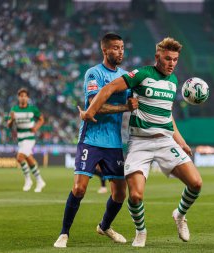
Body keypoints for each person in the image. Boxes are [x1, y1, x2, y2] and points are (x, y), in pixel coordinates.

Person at [79, 37, 203, 247]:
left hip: (165, 141)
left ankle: (180, 215)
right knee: (135, 196)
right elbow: (108, 88)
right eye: (167, 59)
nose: (171, 63)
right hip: (140, 143)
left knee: (196, 183)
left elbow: (167, 114)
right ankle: (141, 231)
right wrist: (91, 111)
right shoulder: (141, 74)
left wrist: (180, 141)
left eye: (175, 59)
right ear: (157, 57)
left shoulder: (173, 82)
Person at [54, 33, 138, 248]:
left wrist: (133, 102)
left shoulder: (125, 77)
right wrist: (124, 107)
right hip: (91, 138)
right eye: (116, 48)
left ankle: (104, 226)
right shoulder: (94, 73)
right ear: (105, 50)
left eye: (122, 47)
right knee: (79, 188)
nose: (120, 51)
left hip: (114, 143)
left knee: (120, 194)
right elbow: (95, 106)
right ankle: (64, 233)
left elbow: (133, 100)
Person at [7, 88, 46, 193]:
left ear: (28, 97)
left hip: (29, 138)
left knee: (19, 157)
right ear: (18, 97)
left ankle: (28, 180)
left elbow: (42, 119)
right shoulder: (14, 109)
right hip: (21, 139)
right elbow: (9, 125)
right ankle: (39, 180)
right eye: (21, 96)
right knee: (29, 159)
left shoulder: (33, 109)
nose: (23, 97)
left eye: (25, 95)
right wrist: (12, 120)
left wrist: (36, 127)